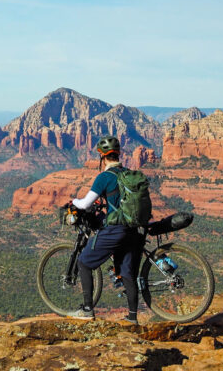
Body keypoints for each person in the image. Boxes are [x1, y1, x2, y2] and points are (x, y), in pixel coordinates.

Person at [69, 135, 144, 325]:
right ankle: (133, 317)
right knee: (127, 273)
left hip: (116, 230)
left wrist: (74, 202)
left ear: (102, 157)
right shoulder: (128, 173)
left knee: (84, 262)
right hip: (133, 230)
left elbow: (86, 204)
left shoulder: (104, 177)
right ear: (118, 154)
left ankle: (87, 310)